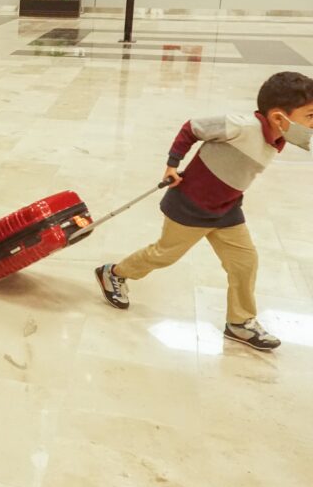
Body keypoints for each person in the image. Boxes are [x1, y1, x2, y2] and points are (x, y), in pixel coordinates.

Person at [95, 72, 313, 352]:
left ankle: (240, 322)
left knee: (244, 263)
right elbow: (192, 127)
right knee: (164, 255)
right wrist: (173, 164)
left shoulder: (276, 137)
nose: (311, 124)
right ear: (279, 117)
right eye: (309, 116)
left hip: (226, 210)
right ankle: (113, 273)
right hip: (191, 206)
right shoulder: (240, 126)